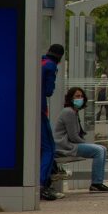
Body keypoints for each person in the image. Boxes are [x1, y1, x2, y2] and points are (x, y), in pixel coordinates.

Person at [53, 87, 108, 193]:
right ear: (70, 98)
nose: (80, 98)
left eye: (81, 96)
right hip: (65, 146)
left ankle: (98, 182)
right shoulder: (69, 112)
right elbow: (73, 136)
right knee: (98, 150)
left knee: (103, 148)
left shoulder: (73, 112)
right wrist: (85, 144)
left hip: (70, 144)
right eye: (77, 96)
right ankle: (96, 184)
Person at [39, 44, 67, 202]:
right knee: (49, 148)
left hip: (27, 111)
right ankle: (42, 185)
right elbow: (48, 91)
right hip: (39, 110)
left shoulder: (40, 61)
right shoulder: (51, 66)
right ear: (60, 57)